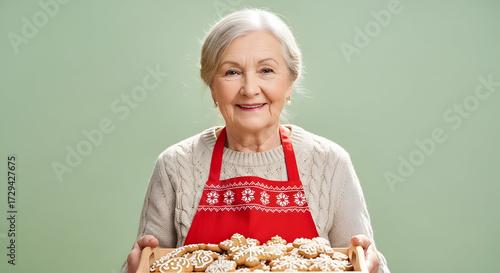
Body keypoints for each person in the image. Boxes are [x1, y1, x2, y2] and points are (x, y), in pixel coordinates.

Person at [121, 8, 389, 273]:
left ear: (289, 83)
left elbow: (361, 261)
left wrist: (372, 270)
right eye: (231, 72)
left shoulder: (330, 163)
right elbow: (147, 263)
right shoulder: (175, 166)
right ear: (212, 87)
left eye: (267, 70)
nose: (250, 89)